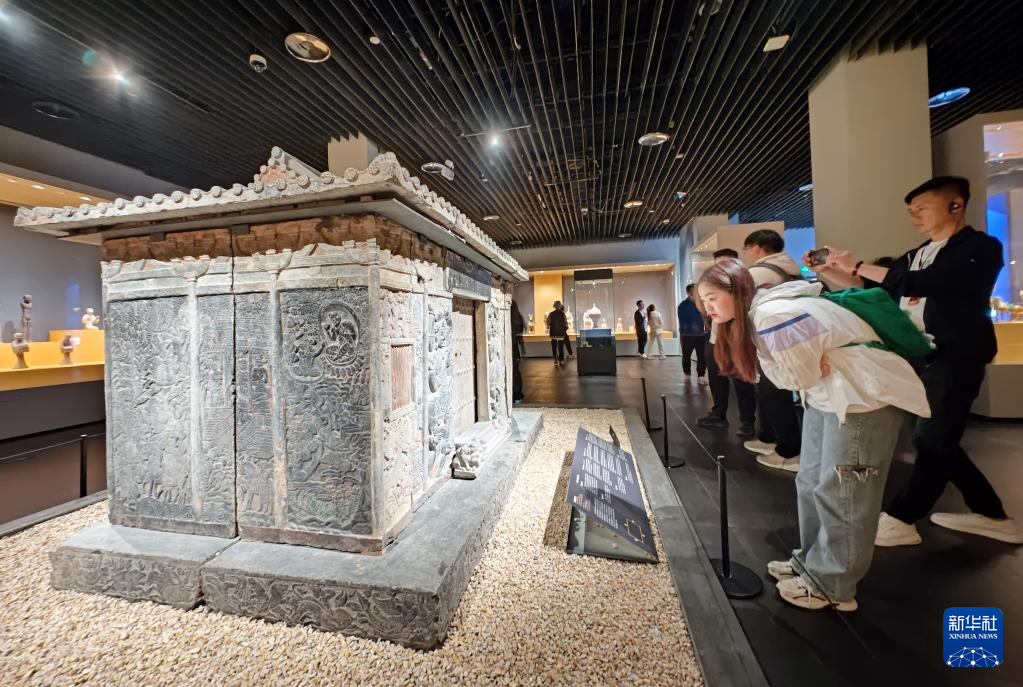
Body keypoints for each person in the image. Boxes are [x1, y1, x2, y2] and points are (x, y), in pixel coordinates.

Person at [699, 259, 929, 611]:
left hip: (860, 398)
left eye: (713, 298)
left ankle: (833, 584)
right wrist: (798, 369)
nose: (708, 308)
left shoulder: (773, 315)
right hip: (831, 396)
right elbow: (791, 375)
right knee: (812, 482)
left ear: (738, 290)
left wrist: (797, 370)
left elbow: (795, 377)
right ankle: (811, 563)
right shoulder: (763, 315)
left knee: (844, 492)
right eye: (704, 301)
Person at [813, 176, 1022, 545]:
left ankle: (903, 516)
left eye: (922, 208)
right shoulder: (918, 253)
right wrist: (831, 272)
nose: (914, 217)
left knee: (932, 438)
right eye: (911, 211)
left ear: (955, 205)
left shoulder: (980, 247)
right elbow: (883, 291)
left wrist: (857, 265)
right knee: (935, 439)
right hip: (918, 354)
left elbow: (926, 283)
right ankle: (991, 513)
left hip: (956, 355)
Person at [741, 229, 803, 472]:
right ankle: (771, 439)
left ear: (756, 247)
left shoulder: (758, 273)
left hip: (773, 342)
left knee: (775, 395)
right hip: (786, 340)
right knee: (773, 394)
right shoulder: (790, 269)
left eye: (746, 249)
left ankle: (789, 451)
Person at [697, 248, 756, 437]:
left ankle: (747, 421)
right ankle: (719, 413)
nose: (708, 308)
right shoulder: (723, 316)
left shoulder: (760, 316)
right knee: (718, 379)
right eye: (704, 300)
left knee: (743, 380)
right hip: (717, 340)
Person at [677, 284, 707, 380]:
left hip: (700, 335)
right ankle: (687, 373)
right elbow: (682, 320)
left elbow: (705, 316)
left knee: (701, 356)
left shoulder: (701, 304)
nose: (696, 292)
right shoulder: (682, 305)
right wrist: (690, 326)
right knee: (686, 355)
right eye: (694, 291)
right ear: (689, 292)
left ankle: (701, 375)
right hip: (688, 335)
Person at [510, 300, 526, 402]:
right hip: (513, 345)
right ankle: (517, 394)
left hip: (511, 345)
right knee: (514, 370)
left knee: (514, 370)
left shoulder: (513, 317)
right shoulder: (518, 317)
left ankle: (515, 394)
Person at [547, 300, 569, 367]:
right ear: (560, 306)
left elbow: (548, 322)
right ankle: (561, 360)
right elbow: (566, 324)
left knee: (554, 346)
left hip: (553, 333)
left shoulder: (551, 314)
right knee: (561, 347)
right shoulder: (563, 314)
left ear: (554, 306)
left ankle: (555, 359)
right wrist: (565, 329)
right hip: (561, 333)